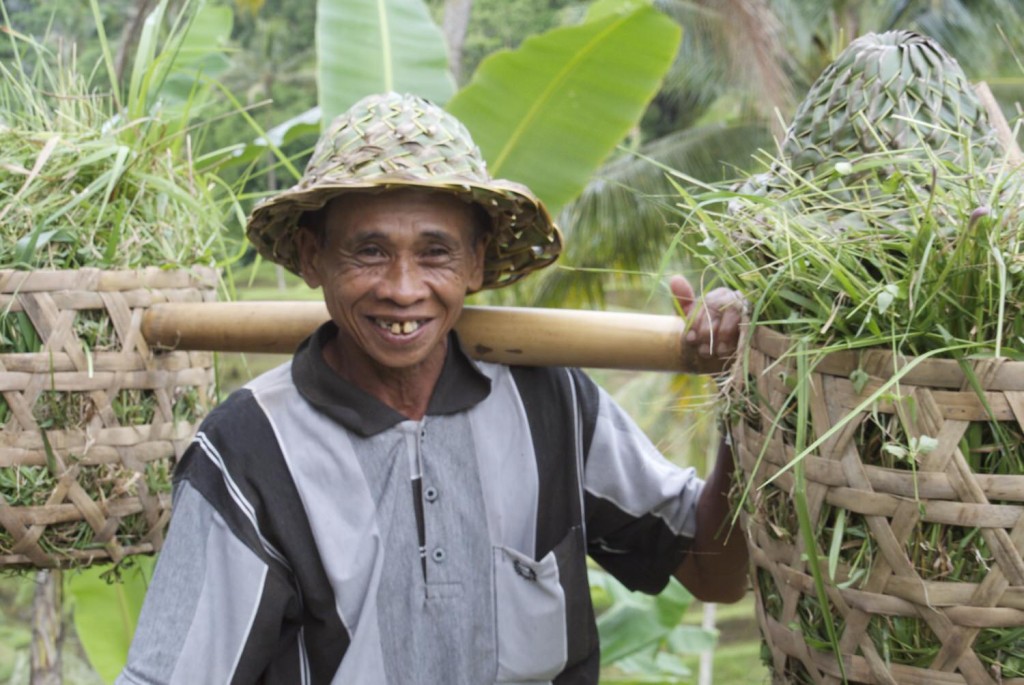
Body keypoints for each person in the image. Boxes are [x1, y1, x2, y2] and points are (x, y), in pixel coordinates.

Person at [117, 92, 748, 685]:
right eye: (368, 251)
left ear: (476, 262)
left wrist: (743, 396)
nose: (403, 288)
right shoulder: (249, 451)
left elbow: (715, 573)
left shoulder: (550, 403)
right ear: (313, 258)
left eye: (436, 253)